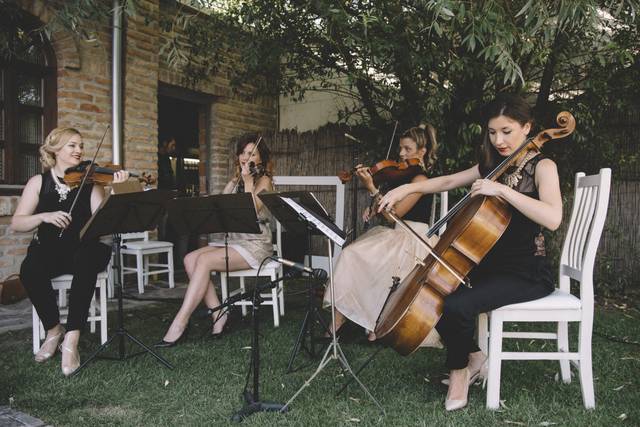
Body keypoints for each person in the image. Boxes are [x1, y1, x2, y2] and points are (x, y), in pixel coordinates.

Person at [378, 94, 561, 411]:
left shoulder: (543, 166)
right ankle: (475, 357)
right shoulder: (493, 166)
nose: (498, 140)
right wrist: (406, 188)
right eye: (492, 132)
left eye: (506, 131)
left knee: (457, 304)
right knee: (435, 294)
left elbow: (553, 218)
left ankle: (460, 372)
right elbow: (449, 180)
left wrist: (501, 190)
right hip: (488, 265)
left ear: (527, 128)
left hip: (526, 272)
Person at [11, 127, 129, 376]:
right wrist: (44, 216)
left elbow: (102, 221)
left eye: (81, 145)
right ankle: (54, 330)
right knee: (29, 269)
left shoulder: (90, 182)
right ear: (55, 150)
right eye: (72, 145)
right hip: (51, 250)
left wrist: (114, 191)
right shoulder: (39, 182)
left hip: (85, 248)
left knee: (86, 259)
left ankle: (72, 338)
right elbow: (17, 223)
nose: (79, 151)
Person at [156, 134, 274, 347]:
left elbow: (252, 210)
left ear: (261, 159)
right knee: (190, 259)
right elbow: (220, 203)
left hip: (255, 245)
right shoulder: (238, 179)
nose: (247, 157)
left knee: (204, 261)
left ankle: (180, 322)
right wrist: (235, 179)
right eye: (244, 153)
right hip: (235, 242)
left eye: (252, 154)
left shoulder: (264, 180)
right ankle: (220, 314)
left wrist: (247, 181)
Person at [323, 125, 439, 341]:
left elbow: (395, 214)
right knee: (354, 256)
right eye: (400, 149)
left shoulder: (421, 180)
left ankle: (353, 322)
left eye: (407, 149)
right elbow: (387, 212)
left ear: (422, 152)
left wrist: (372, 188)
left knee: (354, 256)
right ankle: (341, 321)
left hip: (414, 239)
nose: (401, 154)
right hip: (398, 234)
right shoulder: (403, 177)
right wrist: (373, 207)